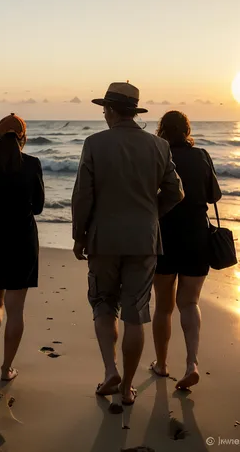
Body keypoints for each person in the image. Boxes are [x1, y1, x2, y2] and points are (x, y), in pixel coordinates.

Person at [71, 83, 184, 405]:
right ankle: (128, 387)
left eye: (104, 109)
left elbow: (83, 195)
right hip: (144, 239)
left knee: (104, 303)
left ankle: (110, 370)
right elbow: (176, 192)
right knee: (136, 312)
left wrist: (79, 235)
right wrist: (151, 214)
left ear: (109, 110)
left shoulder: (94, 143)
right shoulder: (159, 146)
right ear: (133, 111)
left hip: (102, 238)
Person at [151, 110, 222, 390]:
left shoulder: (159, 155)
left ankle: (161, 364)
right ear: (187, 130)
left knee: (164, 306)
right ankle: (192, 363)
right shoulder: (202, 155)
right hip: (196, 236)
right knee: (190, 303)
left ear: (162, 130)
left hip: (164, 235)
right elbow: (213, 195)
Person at [0, 113, 44, 381]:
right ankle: (6, 368)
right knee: (16, 309)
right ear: (23, 137)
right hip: (22, 238)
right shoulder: (32, 164)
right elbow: (38, 206)